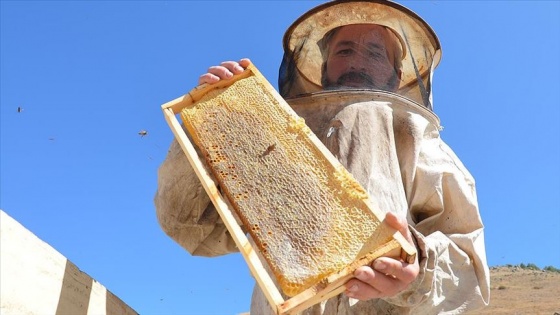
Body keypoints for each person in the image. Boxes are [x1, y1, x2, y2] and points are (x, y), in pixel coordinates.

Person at [155, 1, 490, 314]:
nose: (357, 61)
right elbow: (190, 226)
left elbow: (468, 272)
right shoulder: (273, 139)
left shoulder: (421, 142)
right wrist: (208, 125)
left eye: (374, 52)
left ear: (395, 72)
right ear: (325, 64)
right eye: (345, 50)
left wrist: (417, 265)